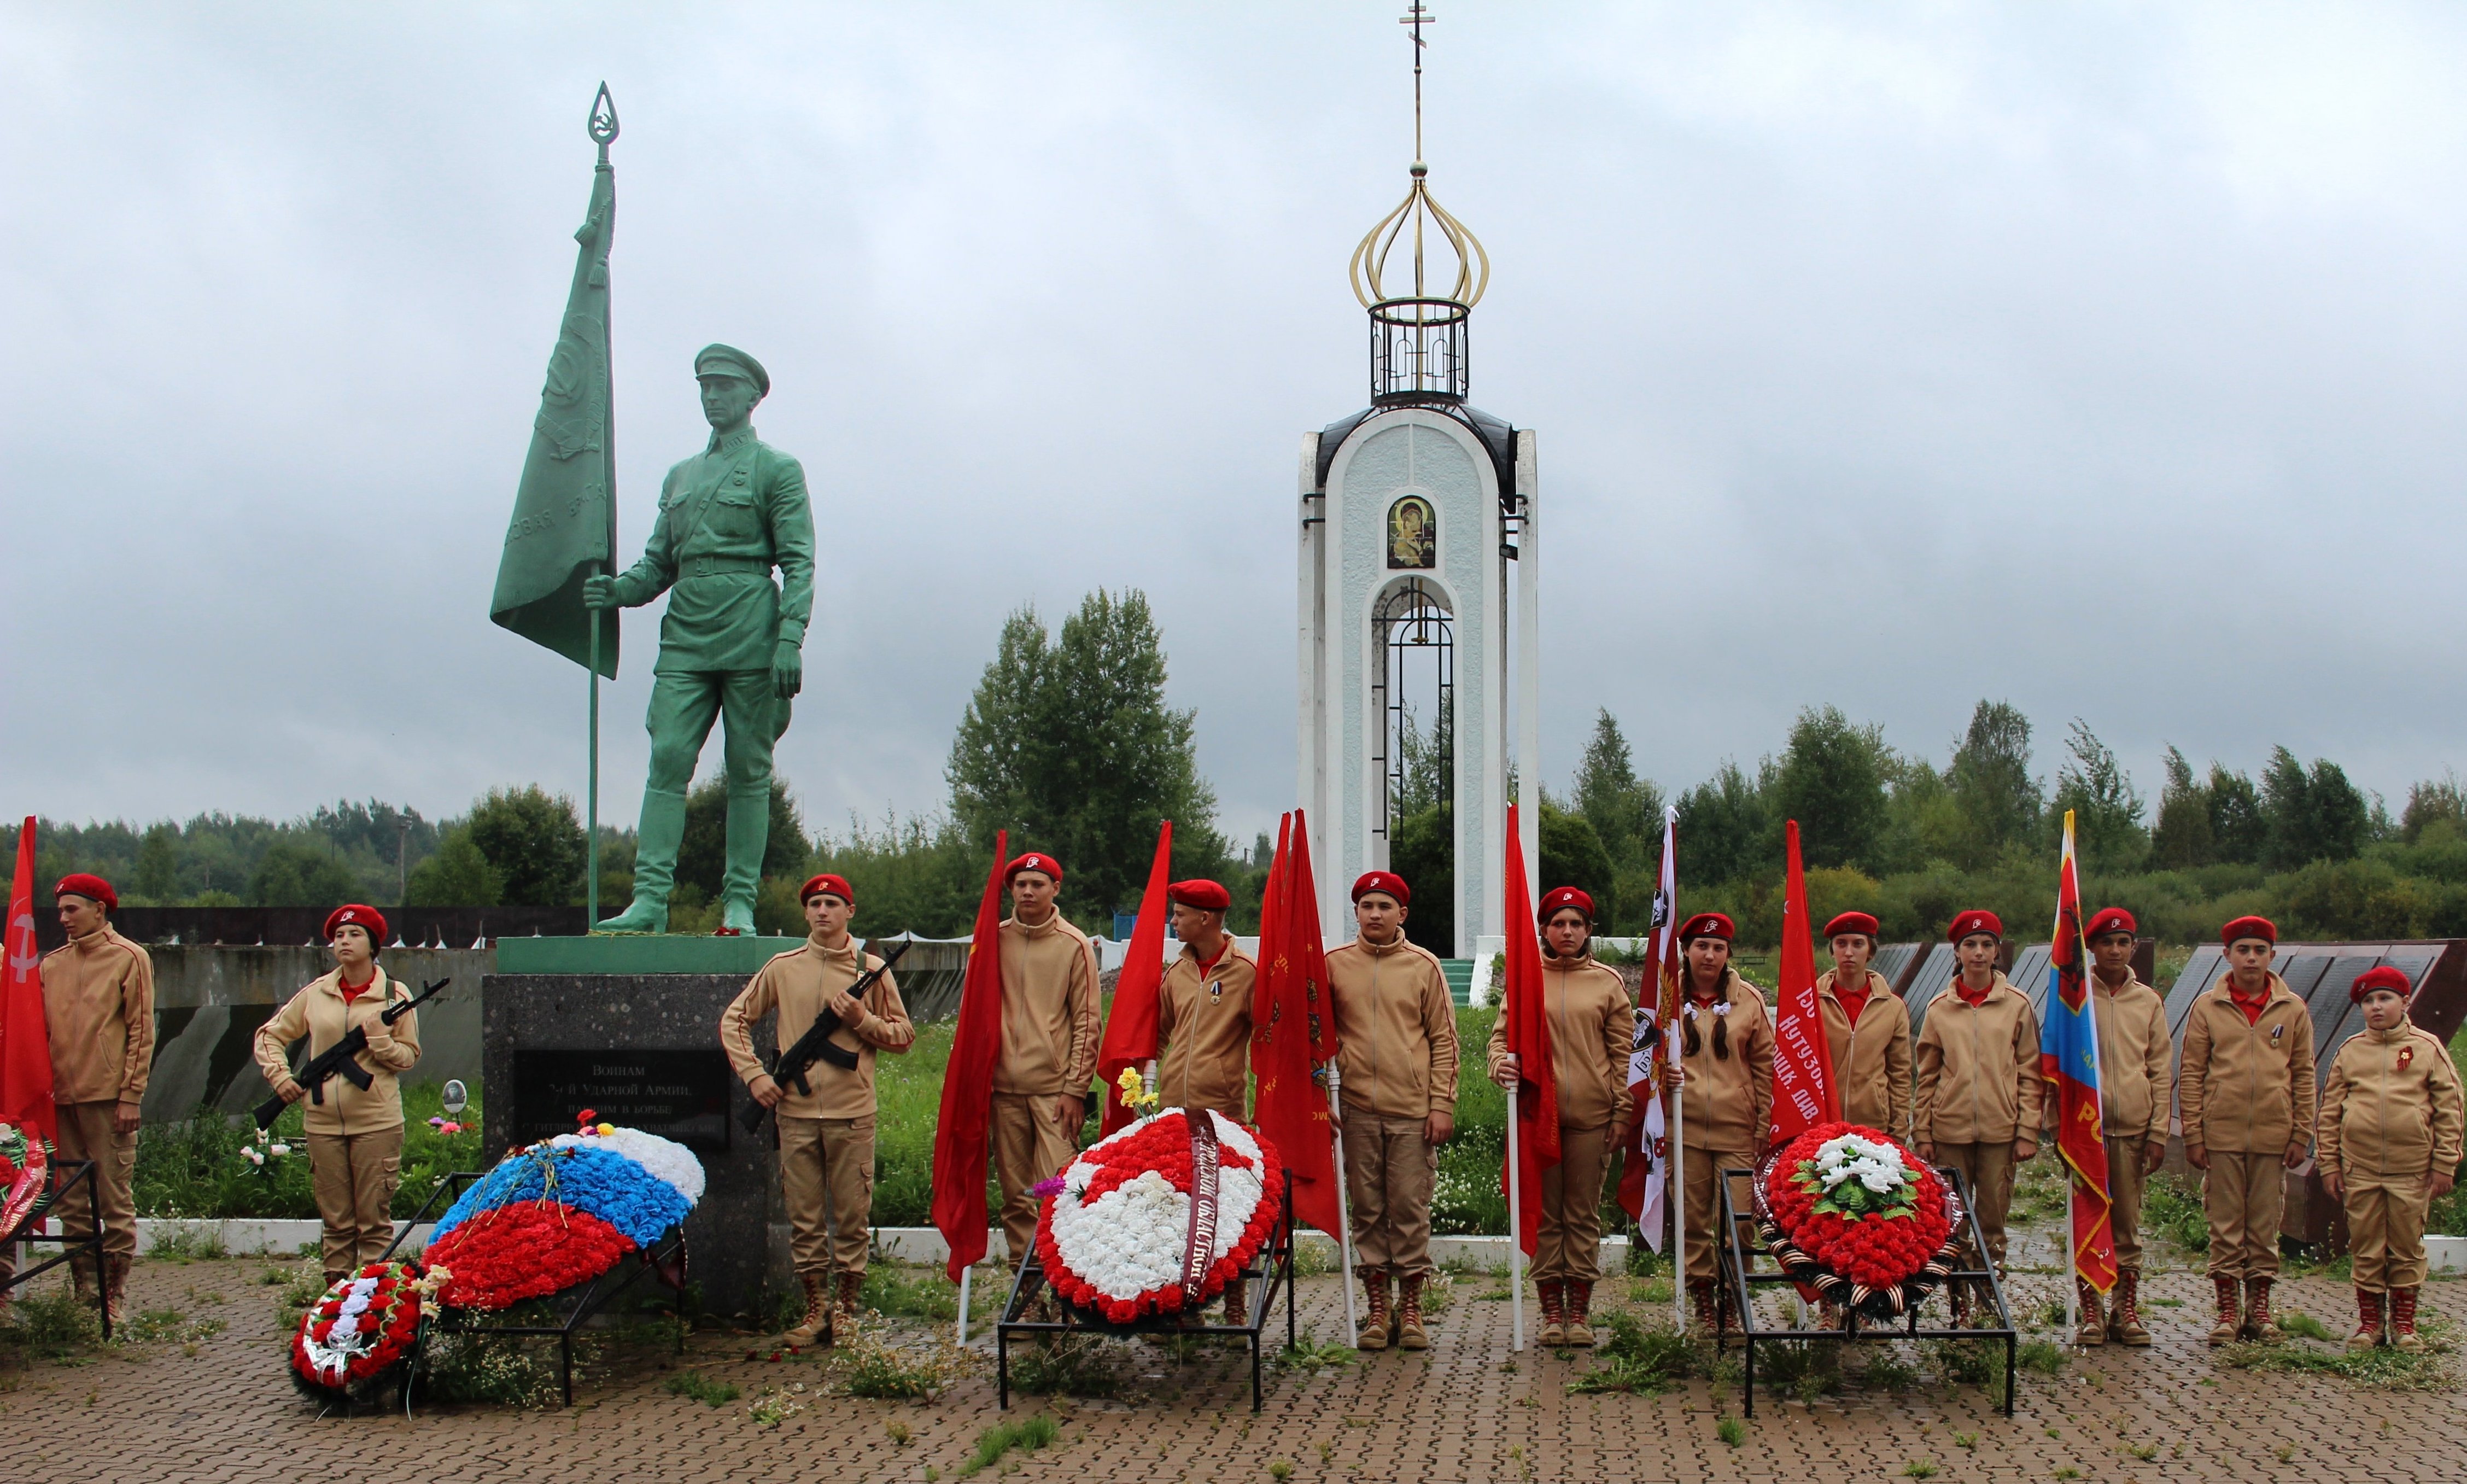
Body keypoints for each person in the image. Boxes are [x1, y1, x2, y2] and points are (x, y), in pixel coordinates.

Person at [586, 344, 816, 936]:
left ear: (750, 396)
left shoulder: (777, 468)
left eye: (723, 387)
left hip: (751, 626)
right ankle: (650, 901)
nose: (713, 396)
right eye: (705, 387)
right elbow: (657, 565)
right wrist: (613, 591)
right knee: (666, 758)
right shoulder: (681, 476)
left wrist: (789, 638)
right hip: (687, 628)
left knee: (748, 768)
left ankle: (739, 902)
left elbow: (799, 561)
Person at [720, 873, 915, 1348]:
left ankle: (845, 1313)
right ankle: (815, 1311)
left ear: (851, 912)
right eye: (815, 904)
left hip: (852, 1114)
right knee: (804, 1219)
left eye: (833, 903)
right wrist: (756, 1076)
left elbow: (904, 1037)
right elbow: (734, 1020)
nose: (823, 911)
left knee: (851, 1217)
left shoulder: (873, 969)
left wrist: (860, 1020)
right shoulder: (783, 968)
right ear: (806, 913)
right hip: (797, 1114)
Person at [1488, 886, 1633, 1347]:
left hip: (1592, 1118)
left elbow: (1624, 1056)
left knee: (1582, 1213)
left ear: (1589, 931)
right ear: (1544, 930)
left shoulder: (1608, 983)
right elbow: (1499, 1040)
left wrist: (1620, 1114)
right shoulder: (1527, 979)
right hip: (1539, 1117)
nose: (1567, 932)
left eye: (1576, 924)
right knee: (1548, 1215)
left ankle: (1580, 1310)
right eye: (1558, 924)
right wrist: (1500, 1066)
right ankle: (1552, 1307)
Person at [9, 875, 155, 1323]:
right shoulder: (52, 965)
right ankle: (84, 1294)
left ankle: (114, 1295)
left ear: (99, 909)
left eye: (73, 909)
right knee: (70, 1200)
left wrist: (131, 1096)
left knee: (113, 1197)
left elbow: (141, 1031)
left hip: (108, 1099)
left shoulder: (129, 958)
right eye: (61, 910)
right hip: (60, 1101)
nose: (64, 918)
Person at [253, 905, 422, 1287]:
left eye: (355, 935)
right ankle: (334, 1304)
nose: (344, 942)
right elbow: (270, 1035)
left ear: (374, 945)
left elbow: (408, 1056)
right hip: (323, 1122)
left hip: (377, 1122)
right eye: (339, 937)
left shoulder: (394, 995)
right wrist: (280, 1077)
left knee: (373, 1221)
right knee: (337, 1222)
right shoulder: (317, 993)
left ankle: (372, 1303)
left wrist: (379, 1040)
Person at [1325, 870, 1459, 1352]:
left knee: (1408, 1208)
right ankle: (1377, 1310)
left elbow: (1444, 1039)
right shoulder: (1334, 964)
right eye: (1367, 906)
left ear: (1402, 914)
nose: (1375, 915)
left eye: (1385, 907)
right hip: (1356, 1110)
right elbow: (1316, 1037)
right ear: (1356, 912)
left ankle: (1412, 1308)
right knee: (1367, 1210)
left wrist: (1441, 1104)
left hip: (1411, 1112)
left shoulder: (1423, 966)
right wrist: (1325, 1099)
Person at [2178, 914, 2316, 1345]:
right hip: (2222, 1134)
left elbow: (2303, 1074)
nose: (2251, 958)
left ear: (2273, 956)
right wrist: (2195, 1134)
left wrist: (2300, 1134)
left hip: (2273, 1137)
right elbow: (2193, 1072)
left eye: (2260, 950)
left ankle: (2260, 1310)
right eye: (2243, 950)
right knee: (2225, 1225)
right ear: (2228, 956)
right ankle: (2226, 1311)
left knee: (2264, 1223)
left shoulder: (2292, 1009)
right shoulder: (2208, 1007)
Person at [2315, 964, 2463, 1353]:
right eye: (2368, 1001)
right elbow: (2329, 1112)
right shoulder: (2351, 1052)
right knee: (2366, 1245)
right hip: (2360, 1169)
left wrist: (2445, 1163)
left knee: (2405, 1246)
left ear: (2405, 1002)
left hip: (2411, 1170)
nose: (2377, 1008)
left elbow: (2450, 1108)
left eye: (2385, 999)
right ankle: (2369, 1326)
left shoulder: (2427, 1048)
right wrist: (2329, 1164)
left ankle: (2405, 1326)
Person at [1911, 910, 2041, 1290]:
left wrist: (2028, 1130)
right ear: (1957, 953)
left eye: (1987, 945)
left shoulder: (2018, 1005)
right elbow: (1928, 1076)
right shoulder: (1940, 1009)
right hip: (1950, 1130)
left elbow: (2031, 1072)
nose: (1979, 953)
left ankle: (1989, 1296)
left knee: (1992, 1218)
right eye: (1970, 945)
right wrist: (1923, 1133)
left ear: (1998, 952)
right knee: (1954, 1220)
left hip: (2001, 1131)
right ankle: (1959, 1301)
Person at [990, 852, 1101, 1284]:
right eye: (1020, 884)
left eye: (1037, 883)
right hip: (1003, 1092)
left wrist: (1075, 1088)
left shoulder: (1073, 945)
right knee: (1016, 1195)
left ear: (1056, 888)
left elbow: (1087, 1020)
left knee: (1058, 1186)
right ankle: (1028, 1284)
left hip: (1053, 1092)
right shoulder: (995, 940)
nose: (1028, 891)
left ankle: (1067, 1281)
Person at [1153, 878, 1259, 1324]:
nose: (1173, 921)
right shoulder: (1174, 974)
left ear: (1206, 918)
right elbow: (1161, 1037)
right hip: (1174, 1110)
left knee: (1227, 1208)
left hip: (1224, 1112)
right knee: (1178, 1206)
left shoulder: (1246, 973)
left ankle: (1235, 1302)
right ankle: (1185, 1305)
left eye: (1179, 914)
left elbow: (1269, 1038)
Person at [2064, 908, 2172, 1347]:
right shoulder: (2073, 998)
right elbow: (2057, 1066)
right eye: (2107, 942)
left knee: (2126, 1222)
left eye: (2123, 942)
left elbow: (2161, 1069)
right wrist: (2060, 1130)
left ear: (2133, 947)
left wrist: (2159, 1131)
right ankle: (2089, 1307)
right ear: (2093, 948)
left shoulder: (2148, 1002)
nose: (2115, 949)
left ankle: (2124, 1309)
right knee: (2089, 1219)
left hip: (2131, 1129)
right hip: (2085, 1132)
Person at [1662, 911, 1772, 1333]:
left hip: (1736, 1131)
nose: (1709, 955)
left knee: (1739, 1225)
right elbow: (1639, 1061)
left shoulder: (1749, 1001)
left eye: (1718, 948)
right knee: (1692, 1224)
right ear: (1686, 950)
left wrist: (1762, 1125)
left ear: (1728, 953)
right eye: (1701, 946)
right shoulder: (1664, 998)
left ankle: (1733, 1296)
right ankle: (1704, 1301)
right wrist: (1660, 1077)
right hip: (1684, 1132)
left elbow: (1765, 1067)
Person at [1816, 911, 1911, 1142]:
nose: (1849, 952)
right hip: (1820, 1123)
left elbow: (1899, 1074)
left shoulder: (1892, 1007)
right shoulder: (1810, 1003)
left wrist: (1898, 1130)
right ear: (1832, 951)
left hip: (1873, 1124)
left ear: (1870, 952)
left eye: (1858, 944)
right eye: (1841, 944)